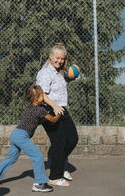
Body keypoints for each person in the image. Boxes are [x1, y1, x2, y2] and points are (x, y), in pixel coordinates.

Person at [0, 84, 62, 193]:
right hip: (22, 136)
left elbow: (37, 120)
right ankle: (39, 183)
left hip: (15, 134)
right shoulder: (40, 110)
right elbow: (53, 120)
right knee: (38, 156)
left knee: (12, 157)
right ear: (36, 98)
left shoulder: (30, 108)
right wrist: (59, 112)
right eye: (42, 96)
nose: (44, 97)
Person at [36, 43, 79, 187]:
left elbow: (59, 88)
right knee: (59, 142)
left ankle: (60, 164)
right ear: (50, 56)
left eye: (62, 58)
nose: (59, 61)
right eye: (57, 58)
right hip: (49, 109)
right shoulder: (45, 72)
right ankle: (54, 176)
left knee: (72, 138)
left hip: (61, 109)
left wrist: (69, 78)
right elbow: (41, 94)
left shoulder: (58, 72)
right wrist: (54, 106)